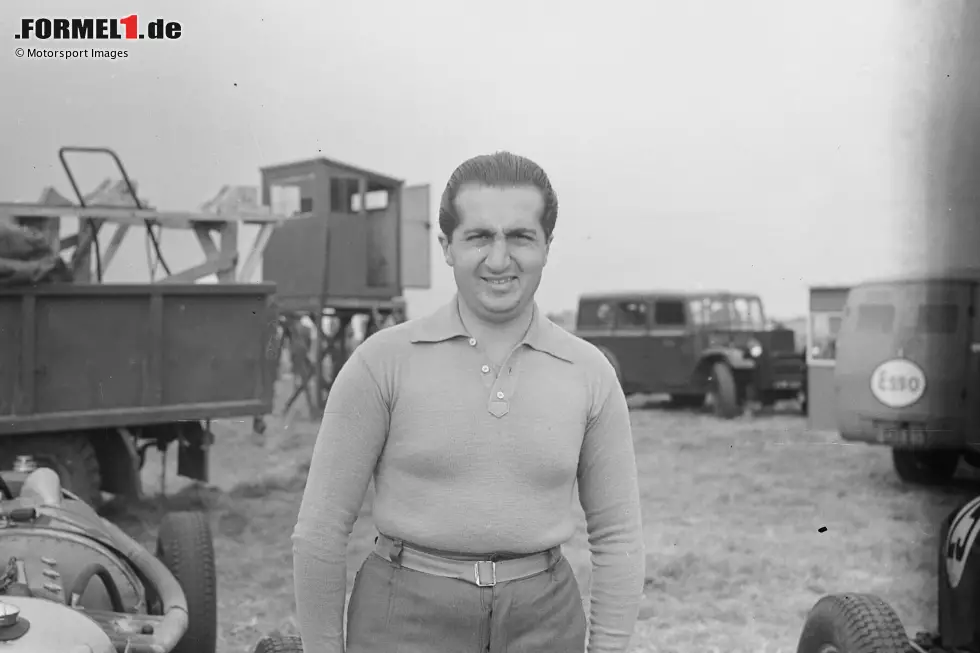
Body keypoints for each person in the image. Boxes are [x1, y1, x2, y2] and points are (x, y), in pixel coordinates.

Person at [292, 151, 645, 653]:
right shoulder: (381, 362)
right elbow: (320, 533)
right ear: (447, 246)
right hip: (402, 619)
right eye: (479, 236)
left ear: (547, 246)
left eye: (520, 236)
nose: (499, 260)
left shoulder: (590, 373)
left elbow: (618, 539)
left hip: (545, 622)